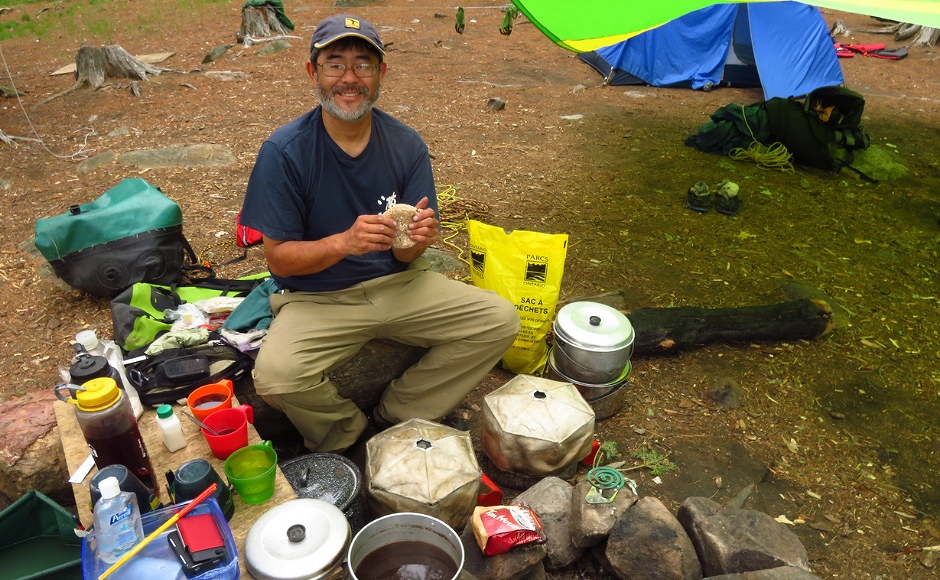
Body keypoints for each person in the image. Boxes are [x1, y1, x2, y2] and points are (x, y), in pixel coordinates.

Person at [239, 14, 520, 453]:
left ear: (381, 73)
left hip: (402, 284)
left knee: (499, 320)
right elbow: (278, 261)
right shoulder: (285, 151)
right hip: (319, 298)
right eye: (335, 64)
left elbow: (407, 256)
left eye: (363, 65)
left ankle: (396, 416)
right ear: (313, 72)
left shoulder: (406, 144)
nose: (349, 79)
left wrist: (417, 242)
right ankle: (346, 435)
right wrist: (343, 243)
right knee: (276, 375)